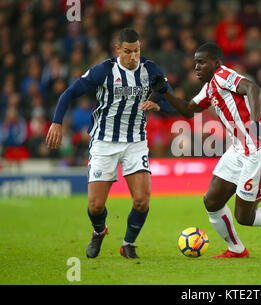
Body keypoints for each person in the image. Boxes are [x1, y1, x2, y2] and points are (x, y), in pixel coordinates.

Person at [141, 42, 261, 258]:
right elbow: (188, 110)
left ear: (216, 63)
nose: (196, 67)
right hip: (239, 150)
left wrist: (254, 124)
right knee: (212, 201)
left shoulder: (223, 75)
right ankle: (236, 249)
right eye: (195, 63)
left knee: (245, 217)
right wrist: (163, 93)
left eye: (201, 62)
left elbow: (252, 88)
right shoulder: (209, 88)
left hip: (259, 149)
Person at [46, 28, 173, 259]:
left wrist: (158, 105)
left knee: (142, 201)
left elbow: (172, 101)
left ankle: (128, 243)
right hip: (104, 141)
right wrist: (56, 122)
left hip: (136, 141)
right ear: (118, 50)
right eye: (127, 51)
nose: (133, 56)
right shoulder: (104, 70)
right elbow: (69, 93)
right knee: (95, 206)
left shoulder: (150, 69)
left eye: (136, 51)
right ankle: (99, 231)